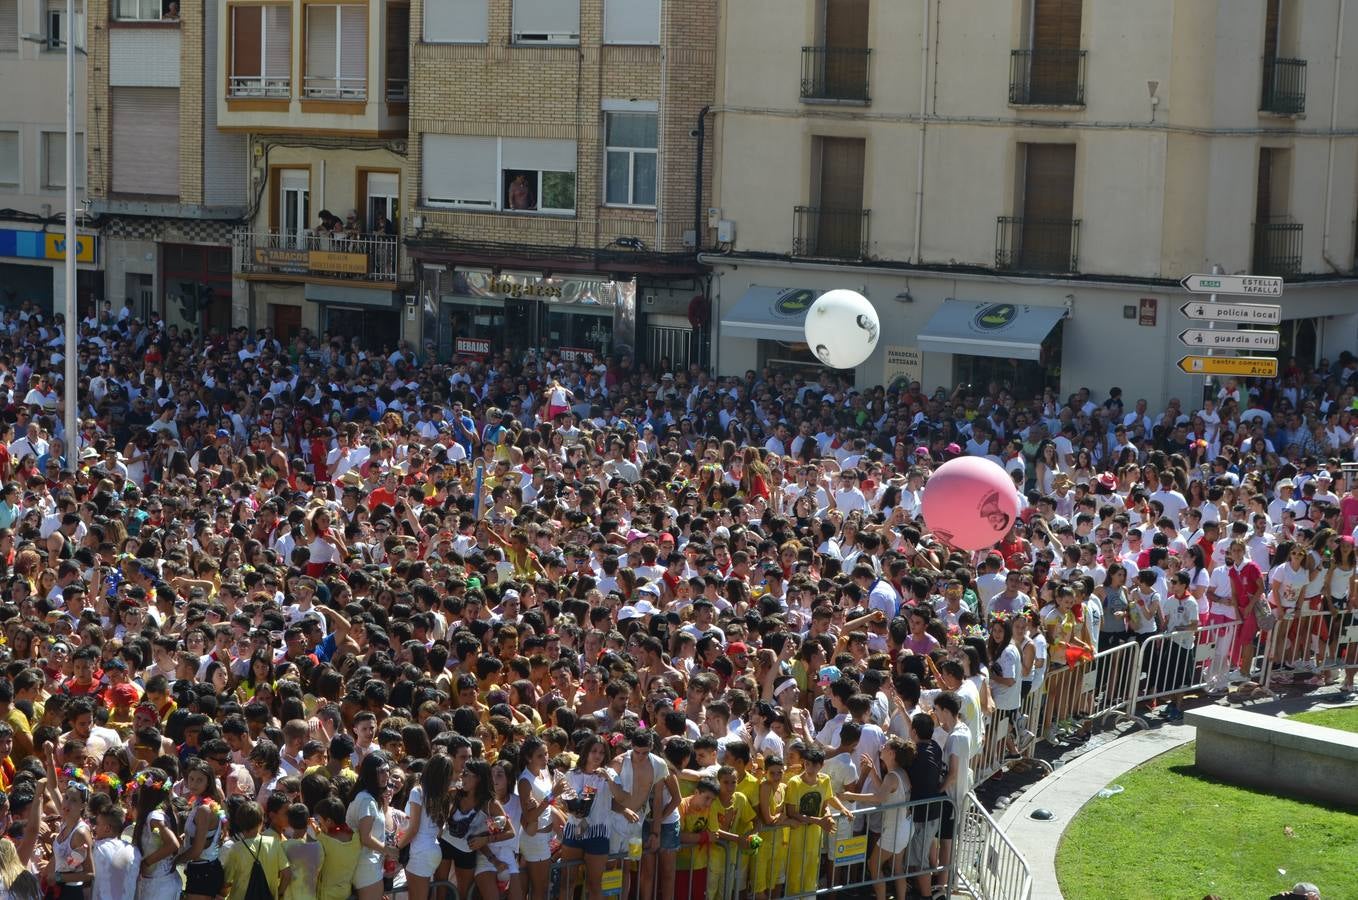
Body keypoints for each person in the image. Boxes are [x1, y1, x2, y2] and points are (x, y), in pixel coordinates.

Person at [222, 800, 292, 900]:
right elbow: (287, 874)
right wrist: (279, 894)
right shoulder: (273, 843)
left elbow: (226, 883)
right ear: (261, 821)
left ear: (239, 822)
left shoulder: (235, 849)